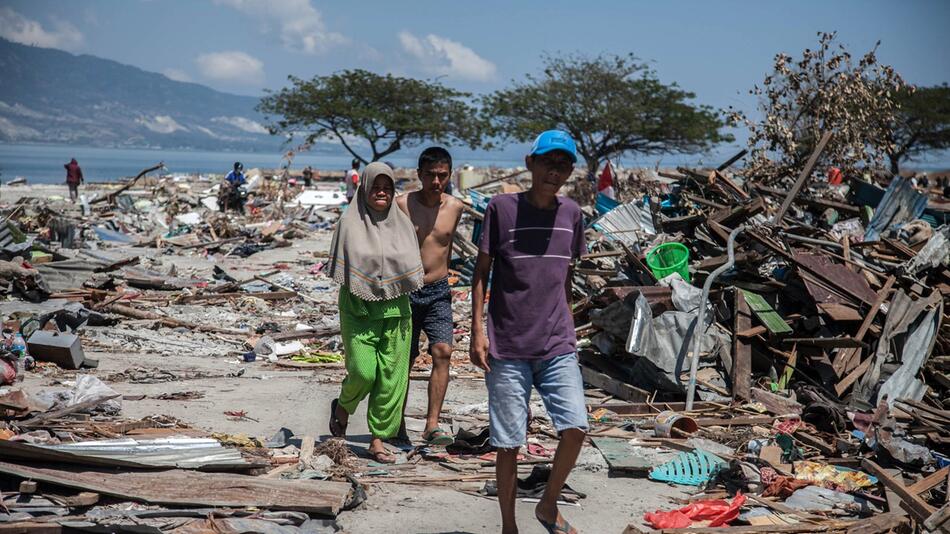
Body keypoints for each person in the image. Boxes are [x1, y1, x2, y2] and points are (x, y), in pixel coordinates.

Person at [470, 130, 588, 534]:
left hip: (556, 343)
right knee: (508, 443)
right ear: (530, 163)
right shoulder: (501, 209)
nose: (555, 170)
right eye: (548, 162)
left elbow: (565, 278)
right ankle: (508, 527)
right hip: (507, 344)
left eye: (564, 164)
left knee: (576, 427)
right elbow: (481, 275)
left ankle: (547, 505)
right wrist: (477, 332)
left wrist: (568, 324)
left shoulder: (572, 214)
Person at [327, 162, 424, 464]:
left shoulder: (403, 224)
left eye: (387, 187)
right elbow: (343, 266)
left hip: (397, 309)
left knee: (391, 379)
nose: (381, 192)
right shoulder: (349, 222)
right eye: (375, 187)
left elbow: (410, 267)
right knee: (364, 371)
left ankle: (377, 439)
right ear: (364, 188)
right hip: (358, 307)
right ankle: (343, 406)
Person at [395, 147, 463, 446]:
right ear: (419, 175)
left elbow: (445, 249)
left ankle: (431, 424)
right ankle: (395, 421)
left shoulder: (455, 207)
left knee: (443, 352)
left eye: (443, 176)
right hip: (405, 290)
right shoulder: (401, 205)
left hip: (438, 290)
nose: (437, 182)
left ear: (450, 175)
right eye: (431, 176)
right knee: (402, 360)